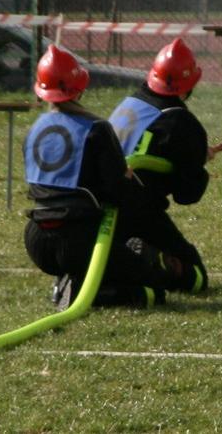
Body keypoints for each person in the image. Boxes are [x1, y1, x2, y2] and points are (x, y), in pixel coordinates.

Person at [22, 43, 145, 310]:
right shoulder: (97, 129)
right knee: (145, 277)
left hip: (36, 241)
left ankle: (70, 282)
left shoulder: (33, 130)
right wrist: (131, 181)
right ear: (80, 86)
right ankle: (85, 290)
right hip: (81, 240)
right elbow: (117, 191)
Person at [102, 38, 222, 305]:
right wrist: (196, 163)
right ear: (189, 85)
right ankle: (146, 259)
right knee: (195, 278)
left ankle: (123, 259)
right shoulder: (181, 121)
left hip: (99, 209)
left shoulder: (131, 101)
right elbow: (187, 194)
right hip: (138, 213)